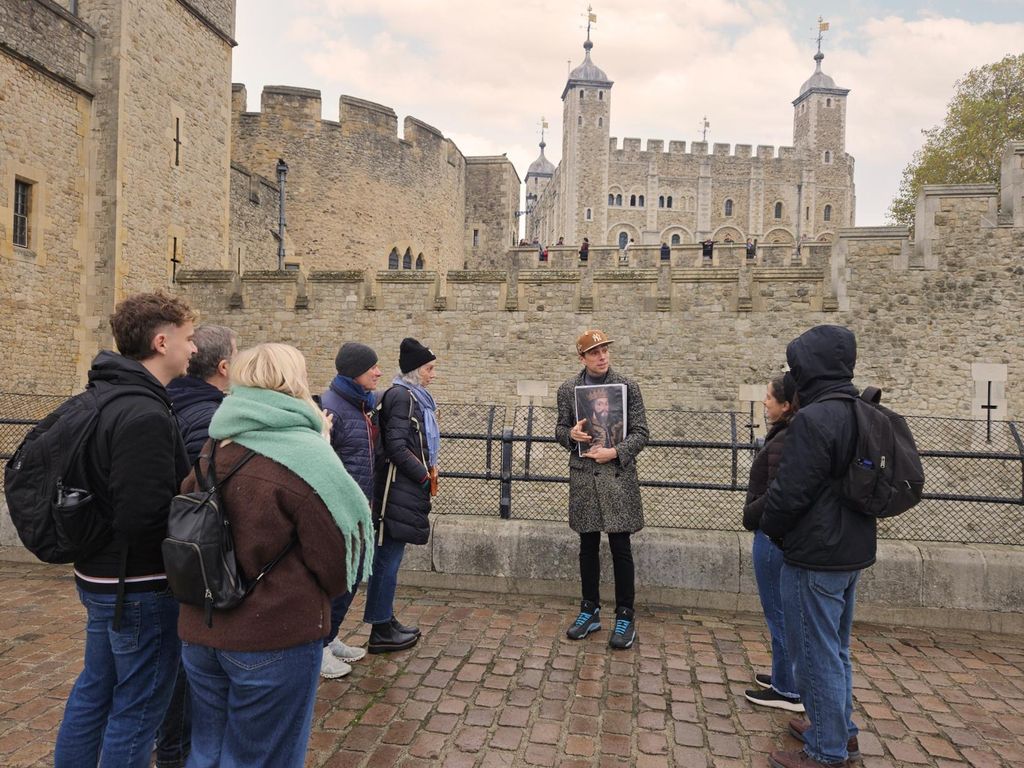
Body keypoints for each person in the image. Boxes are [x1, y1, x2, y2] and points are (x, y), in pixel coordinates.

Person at [179, 343, 373, 768]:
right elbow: (336, 564)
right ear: (294, 382)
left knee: (207, 753)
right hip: (273, 637)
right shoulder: (306, 457)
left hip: (202, 627)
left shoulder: (216, 443)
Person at [54, 292, 195, 768]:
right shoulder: (143, 413)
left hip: (101, 575)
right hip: (137, 586)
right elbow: (142, 517)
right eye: (188, 338)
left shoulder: (103, 396)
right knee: (138, 708)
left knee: (95, 690)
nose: (194, 348)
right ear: (162, 342)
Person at [760, 325, 872, 768]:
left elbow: (790, 493)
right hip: (851, 550)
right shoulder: (861, 410)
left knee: (813, 655)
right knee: (837, 650)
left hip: (815, 553)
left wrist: (772, 529)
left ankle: (825, 751)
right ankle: (841, 732)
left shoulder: (813, 418)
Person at [158, 323, 237, 768]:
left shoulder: (170, 398)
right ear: (223, 366)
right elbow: (202, 491)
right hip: (190, 558)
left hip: (172, 553)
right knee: (182, 671)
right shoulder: (209, 417)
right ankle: (176, 753)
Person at [556, 329, 649, 649]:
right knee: (588, 546)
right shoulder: (568, 389)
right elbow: (560, 429)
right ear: (582, 357)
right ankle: (590, 610)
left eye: (605, 350)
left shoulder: (627, 387)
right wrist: (571, 436)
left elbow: (641, 432)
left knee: (621, 547)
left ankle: (625, 615)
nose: (602, 356)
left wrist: (616, 452)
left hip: (617, 476)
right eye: (595, 352)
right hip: (584, 477)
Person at [364, 337, 439, 653]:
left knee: (390, 558)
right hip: (395, 491)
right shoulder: (402, 397)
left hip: (402, 490)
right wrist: (423, 475)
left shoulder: (413, 398)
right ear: (416, 370)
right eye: (429, 369)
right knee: (386, 559)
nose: (433, 375)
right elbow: (396, 446)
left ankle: (385, 619)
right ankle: (380, 629)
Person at [318, 342, 383, 678]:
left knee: (353, 577)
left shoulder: (359, 404)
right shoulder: (333, 408)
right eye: (372, 367)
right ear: (355, 371)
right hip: (338, 514)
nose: (378, 372)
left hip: (358, 510)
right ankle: (319, 647)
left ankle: (331, 636)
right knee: (338, 580)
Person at [742, 374, 803, 713]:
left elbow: (777, 494)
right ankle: (783, 676)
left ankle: (788, 689)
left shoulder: (784, 439)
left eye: (769, 397)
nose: (764, 402)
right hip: (776, 536)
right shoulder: (787, 433)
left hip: (770, 537)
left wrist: (751, 515)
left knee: (778, 613)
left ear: (786, 405)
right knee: (781, 612)